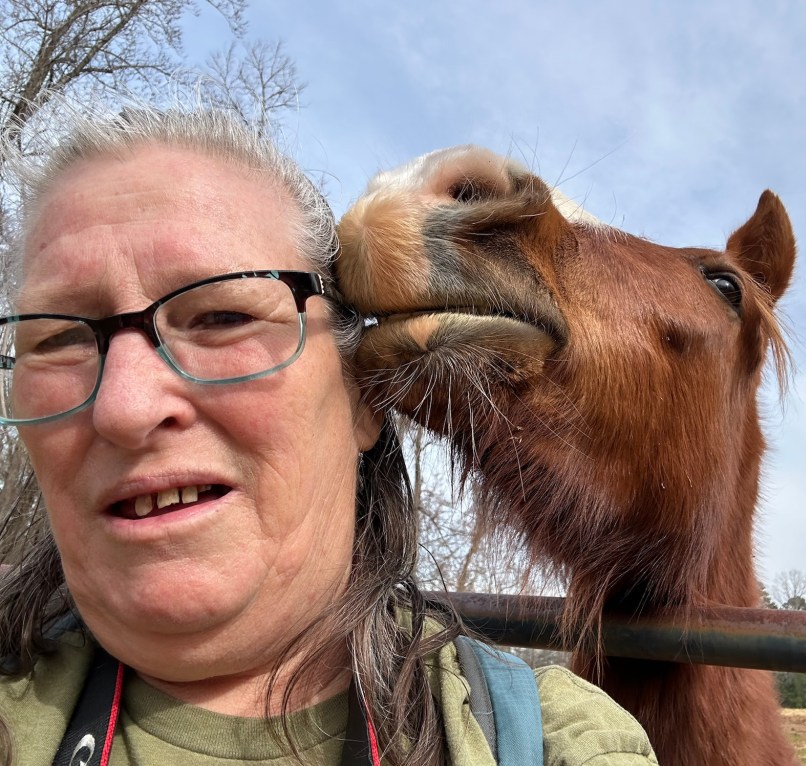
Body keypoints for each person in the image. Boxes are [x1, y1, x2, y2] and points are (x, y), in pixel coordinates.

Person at [0, 100, 659, 765]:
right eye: (57, 340)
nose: (124, 405)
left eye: (224, 317)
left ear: (359, 399)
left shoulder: (545, 740)